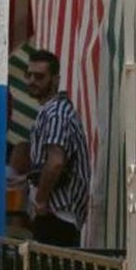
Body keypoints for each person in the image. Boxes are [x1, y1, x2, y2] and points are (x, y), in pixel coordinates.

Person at [25, 49, 90, 247]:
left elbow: (55, 161)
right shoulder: (52, 111)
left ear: (55, 79)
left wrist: (41, 200)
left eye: (39, 76)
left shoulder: (56, 114)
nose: (32, 81)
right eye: (29, 75)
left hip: (57, 215)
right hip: (57, 216)